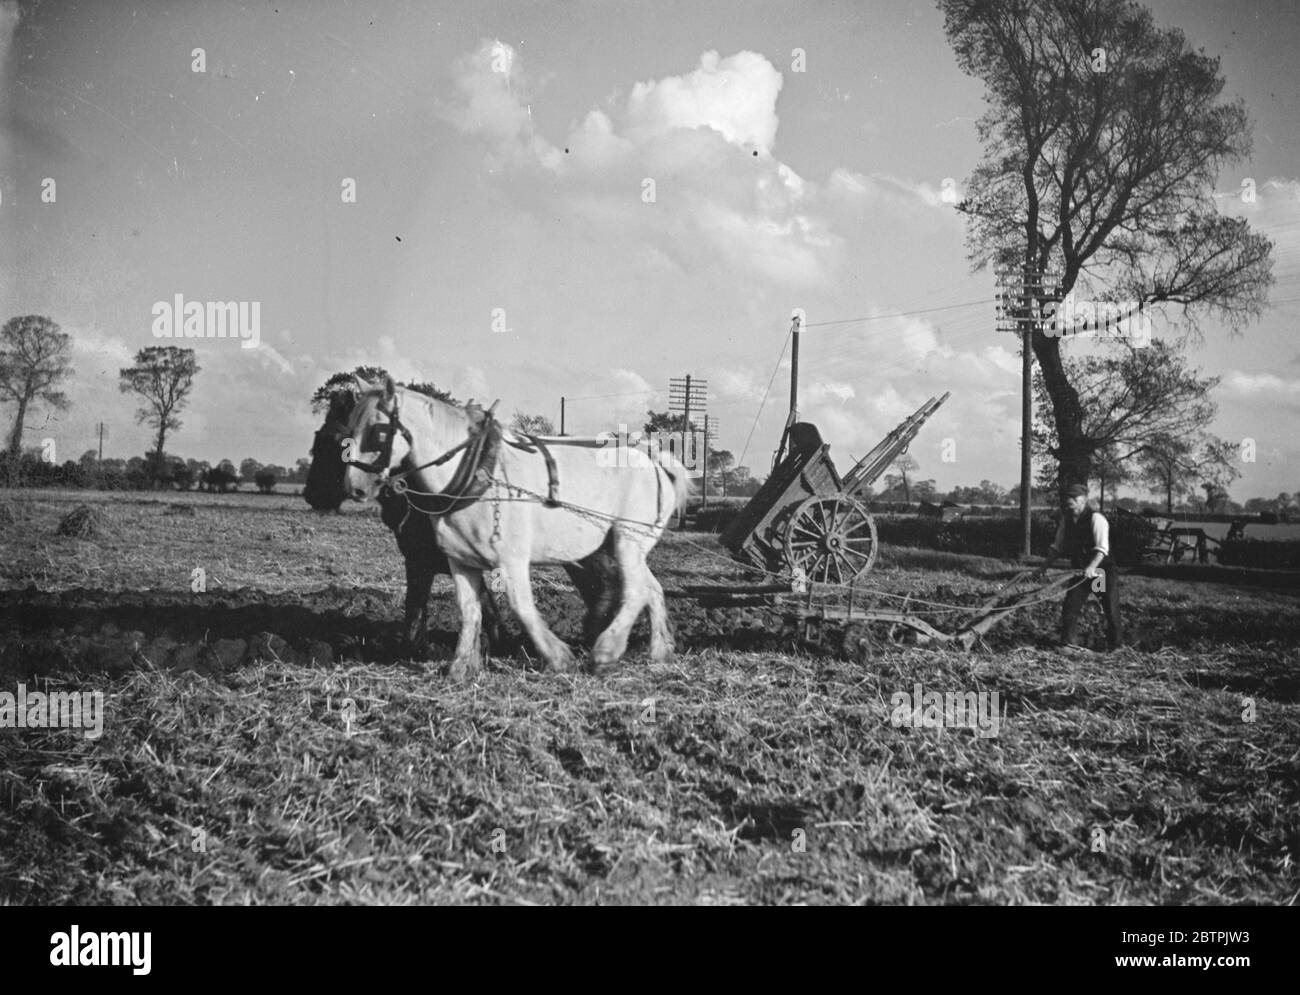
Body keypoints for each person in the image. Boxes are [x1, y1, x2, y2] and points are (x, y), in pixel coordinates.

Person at [1042, 483, 1123, 650]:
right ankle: (1068, 644)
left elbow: (1102, 549)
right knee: (1071, 607)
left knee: (1109, 607)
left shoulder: (1096, 519)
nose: (1069, 502)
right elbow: (1057, 547)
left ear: (1084, 500)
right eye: (1067, 499)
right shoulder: (1066, 520)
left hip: (1100, 572)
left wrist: (1092, 567)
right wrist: (1042, 568)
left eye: (1074, 499)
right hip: (1081, 572)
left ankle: (1116, 646)